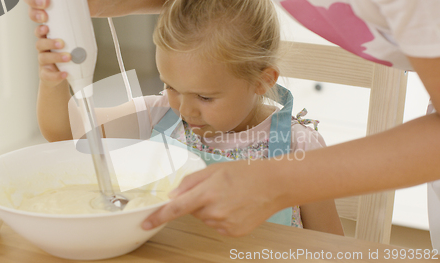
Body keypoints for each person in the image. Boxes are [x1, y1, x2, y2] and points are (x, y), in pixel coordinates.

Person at [25, 0, 440, 246]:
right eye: (170, 85)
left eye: (206, 97)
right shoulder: (158, 114)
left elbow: (327, 249)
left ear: (262, 80)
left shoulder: (298, 146)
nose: (186, 109)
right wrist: (54, 79)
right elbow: (63, 133)